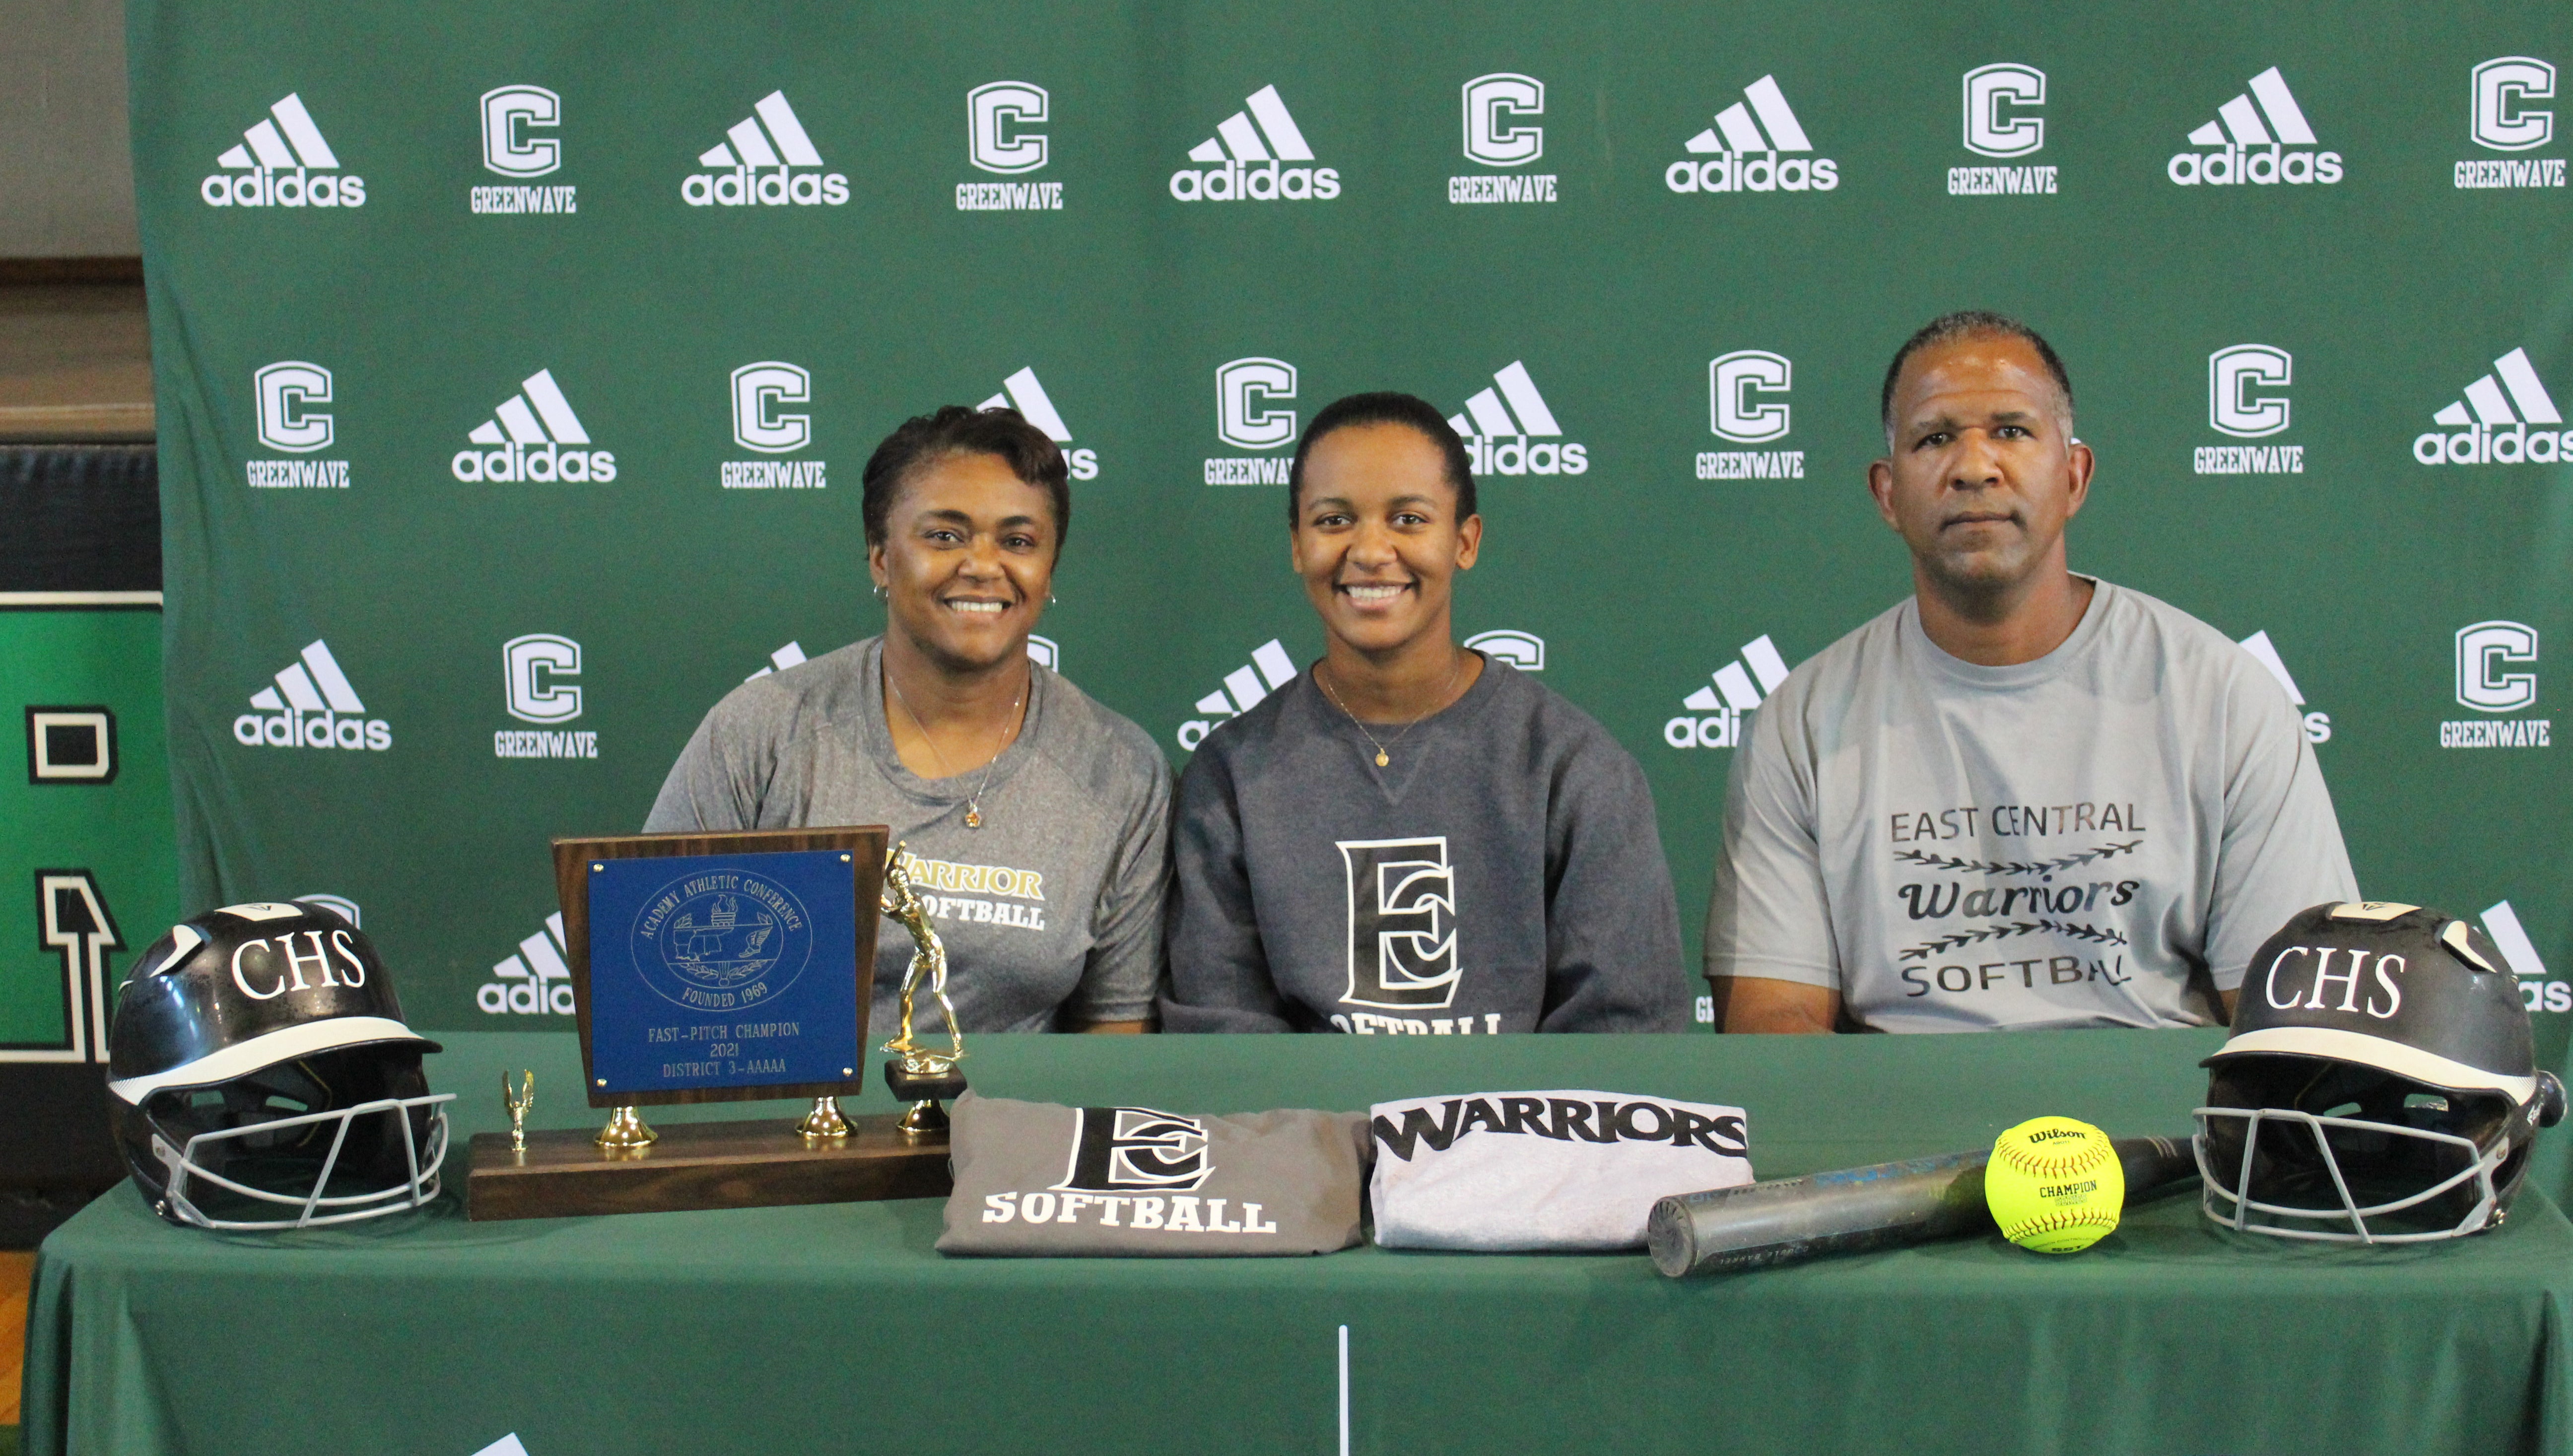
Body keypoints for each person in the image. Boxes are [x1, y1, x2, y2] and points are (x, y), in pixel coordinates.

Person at [1706, 311, 2358, 1034]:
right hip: (1906, 1133)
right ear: (1888, 493)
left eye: (2012, 430)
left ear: (2073, 474)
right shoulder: (1804, 721)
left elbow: (2297, 1023)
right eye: (1935, 438)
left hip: (2157, 1135)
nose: (1975, 467)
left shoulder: (2224, 697)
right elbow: (1772, 1022)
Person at [1162, 392, 1688, 1034]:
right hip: (1304, 1133)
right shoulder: (1232, 776)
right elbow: (1225, 1041)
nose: (1371, 549)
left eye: (1409, 519)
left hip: (1517, 1135)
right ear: (1298, 544)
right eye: (1334, 521)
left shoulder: (1573, 768)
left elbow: (1624, 1036)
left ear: (1464, 541)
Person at [645, 405, 1170, 1034]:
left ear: (1048, 569)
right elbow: (654, 979)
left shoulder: (1122, 770)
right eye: (944, 536)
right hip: (788, 1125)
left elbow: (1113, 1040)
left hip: (1012, 1129)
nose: (982, 564)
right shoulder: (761, 732)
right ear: (879, 557)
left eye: (1018, 541)